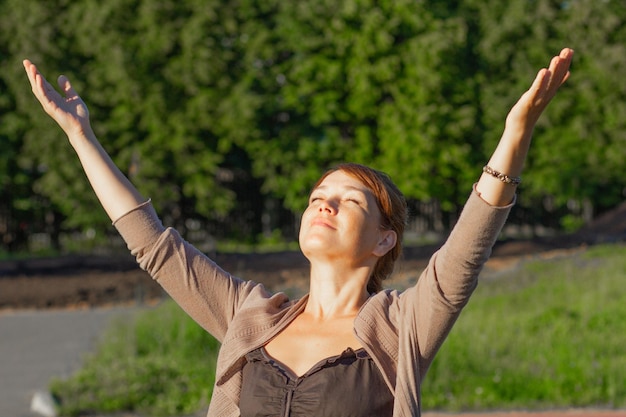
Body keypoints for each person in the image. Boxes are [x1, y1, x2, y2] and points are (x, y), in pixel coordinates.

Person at [23, 47, 573, 417]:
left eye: (347, 201)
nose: (323, 206)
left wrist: (515, 133)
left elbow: (464, 255)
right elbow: (153, 244)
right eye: (317, 198)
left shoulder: (401, 326)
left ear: (385, 239)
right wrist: (80, 136)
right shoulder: (250, 316)